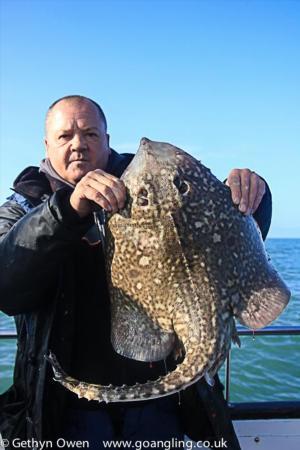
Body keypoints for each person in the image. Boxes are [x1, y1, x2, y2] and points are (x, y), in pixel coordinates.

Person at [0, 95, 271, 450]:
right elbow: (7, 287)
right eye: (65, 136)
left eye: (91, 134)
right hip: (61, 407)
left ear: (107, 140)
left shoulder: (148, 185)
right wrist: (65, 211)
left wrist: (250, 198)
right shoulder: (23, 206)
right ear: (47, 145)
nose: (79, 144)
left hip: (159, 406)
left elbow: (217, 242)